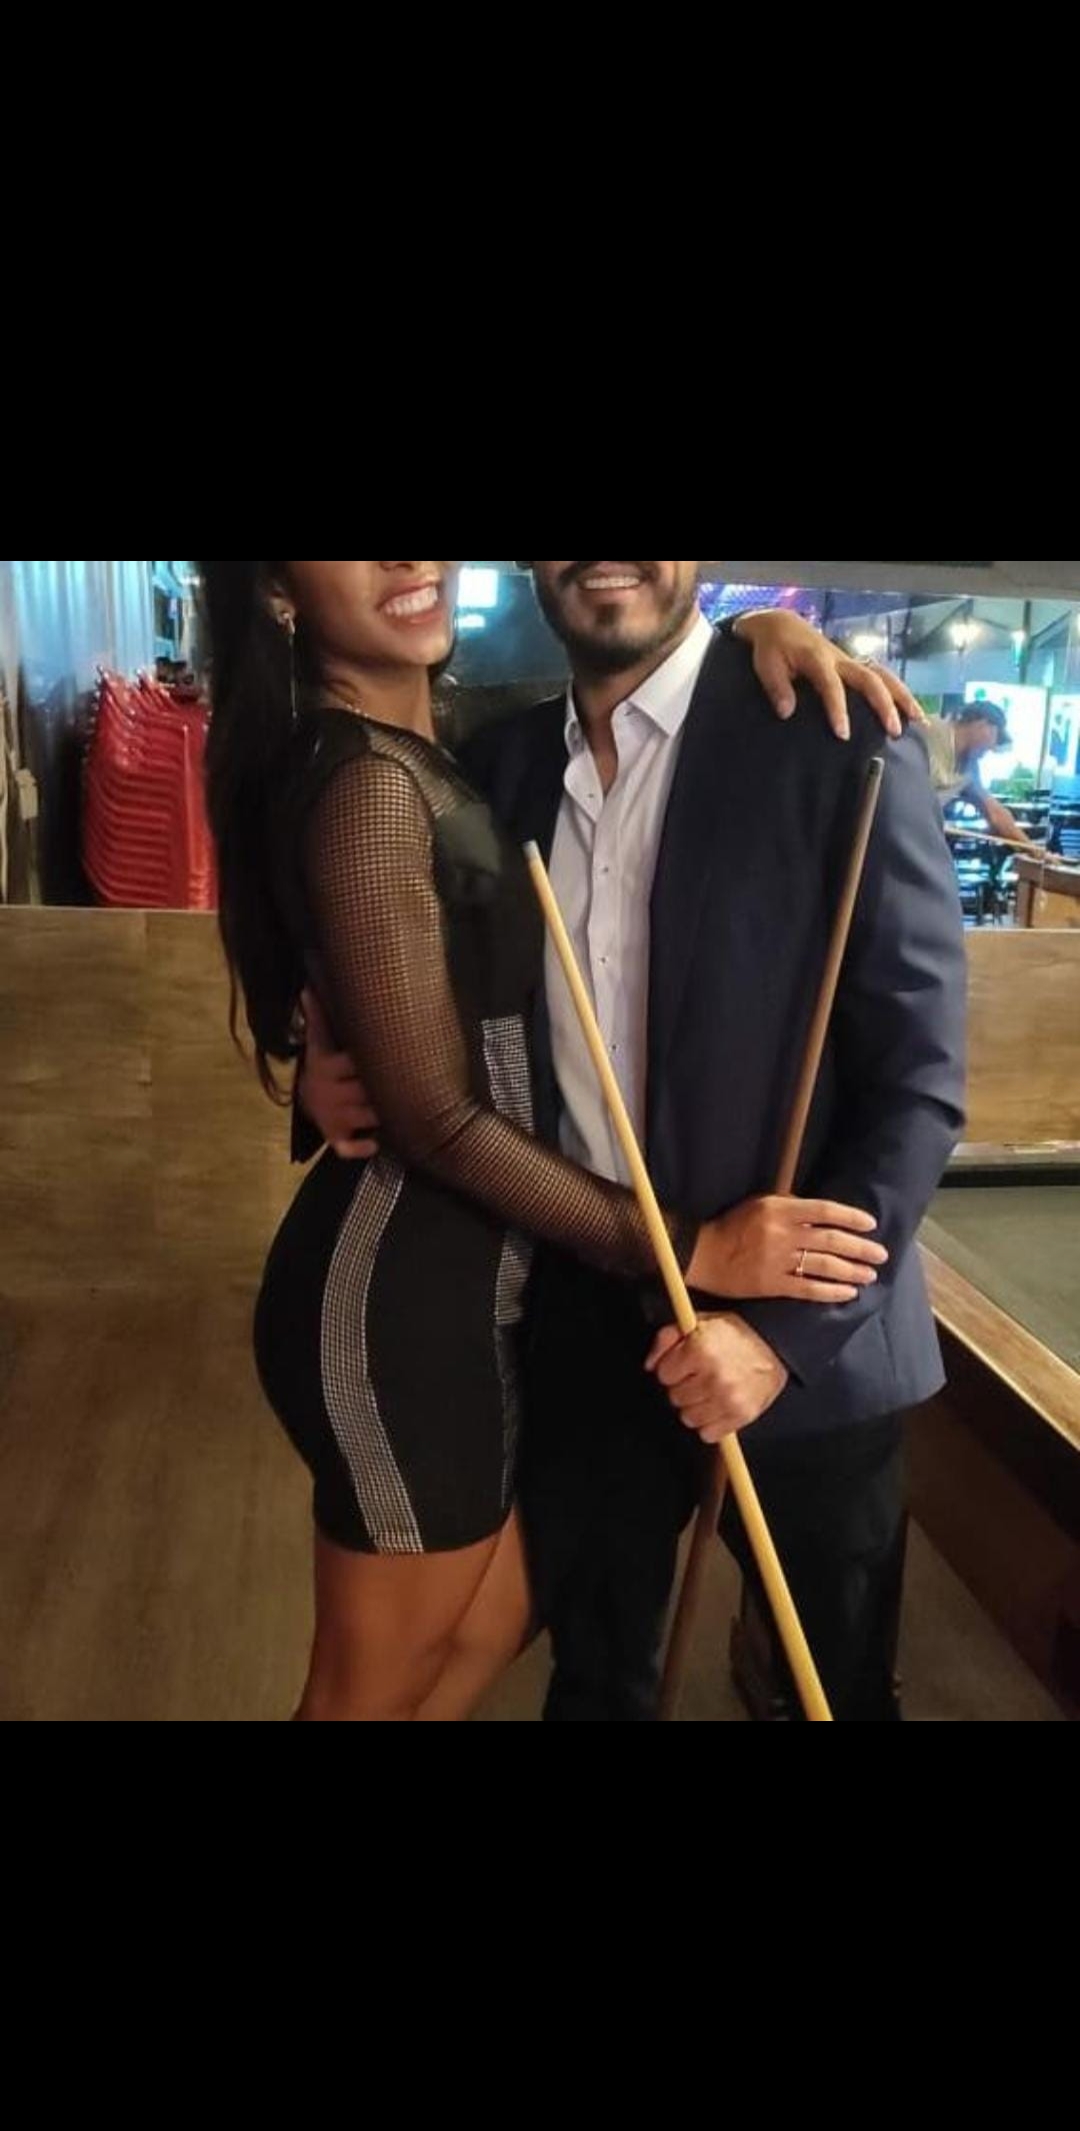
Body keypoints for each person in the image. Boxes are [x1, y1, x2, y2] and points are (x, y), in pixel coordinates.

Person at [201, 562, 890, 1724]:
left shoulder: (458, 746)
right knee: (366, 1695)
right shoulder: (366, 781)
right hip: (401, 1307)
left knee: (480, 1636)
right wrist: (691, 1247)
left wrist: (757, 628)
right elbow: (435, 1116)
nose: (407, 563)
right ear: (278, 592)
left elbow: (382, 1002)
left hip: (489, 1296)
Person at [923, 700, 1036, 849]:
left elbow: (995, 813)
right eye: (995, 736)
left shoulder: (969, 768)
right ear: (982, 725)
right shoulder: (927, 730)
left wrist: (1033, 849)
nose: (992, 748)